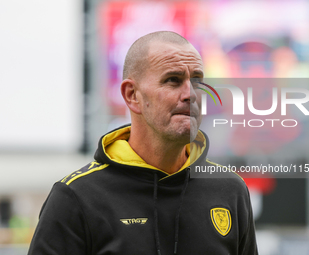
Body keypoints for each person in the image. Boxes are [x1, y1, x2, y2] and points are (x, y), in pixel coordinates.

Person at [28, 31, 258, 255]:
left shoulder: (230, 189)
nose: (191, 94)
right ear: (132, 95)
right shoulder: (76, 196)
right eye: (173, 80)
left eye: (197, 81)